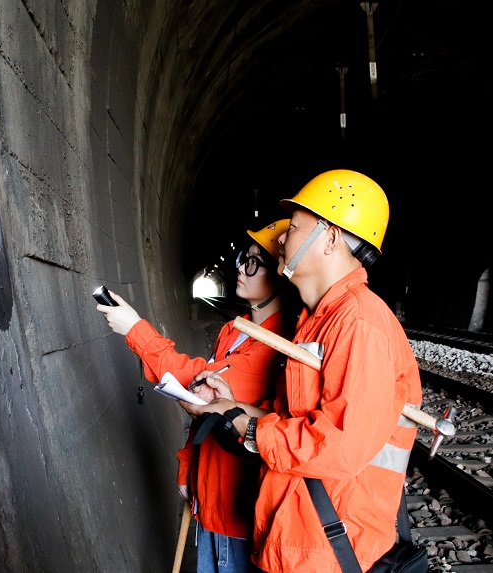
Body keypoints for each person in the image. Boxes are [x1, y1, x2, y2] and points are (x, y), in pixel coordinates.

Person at [183, 169, 423, 573]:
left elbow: (339, 445)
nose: (280, 238)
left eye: (293, 227)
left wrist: (249, 427)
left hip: (331, 548)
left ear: (329, 238)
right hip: (296, 534)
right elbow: (297, 420)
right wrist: (229, 405)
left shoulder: (359, 324)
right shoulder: (319, 320)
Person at [96, 220, 298, 573]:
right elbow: (201, 423)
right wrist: (188, 471)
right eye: (242, 258)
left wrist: (135, 329)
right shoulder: (233, 330)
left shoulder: (276, 344)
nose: (241, 269)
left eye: (254, 262)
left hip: (236, 517)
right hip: (208, 499)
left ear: (280, 275)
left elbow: (203, 393)